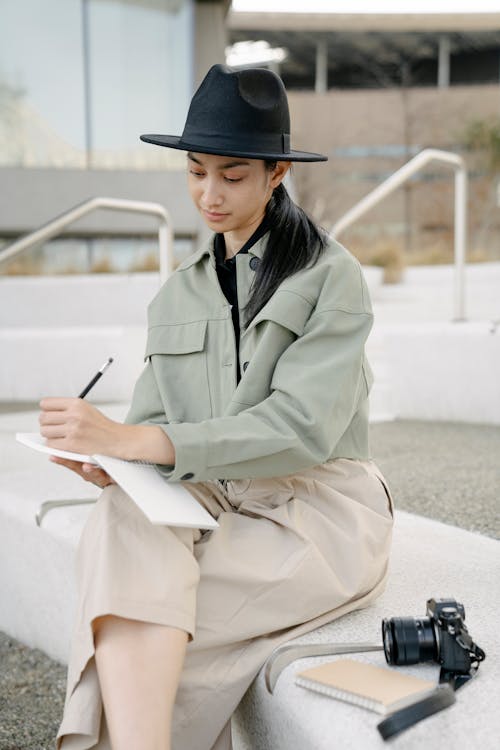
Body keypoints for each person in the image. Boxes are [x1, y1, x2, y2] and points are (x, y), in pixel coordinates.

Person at [41, 65, 394, 750]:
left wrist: (138, 445)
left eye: (232, 176)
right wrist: (110, 461)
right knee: (121, 517)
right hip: (206, 499)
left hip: (316, 509)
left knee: (140, 624)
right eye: (196, 172)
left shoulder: (330, 275)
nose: (209, 193)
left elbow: (300, 430)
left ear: (276, 173)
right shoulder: (178, 293)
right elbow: (148, 430)